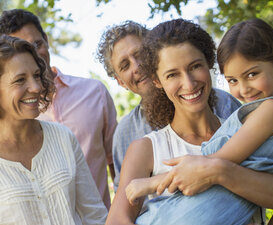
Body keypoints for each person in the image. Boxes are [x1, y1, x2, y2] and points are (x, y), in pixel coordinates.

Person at [102, 19, 273, 225]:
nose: (189, 84)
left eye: (195, 66)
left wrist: (220, 171)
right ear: (157, 80)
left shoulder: (240, 126)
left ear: (209, 63)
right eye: (172, 75)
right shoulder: (146, 149)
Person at [0, 35, 107, 225]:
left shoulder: (63, 138)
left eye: (37, 76)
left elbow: (97, 224)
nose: (36, 87)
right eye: (20, 80)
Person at [0, 9, 117, 209]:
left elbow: (115, 160)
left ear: (46, 40)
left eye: (37, 44)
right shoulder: (7, 115)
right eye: (21, 51)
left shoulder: (95, 92)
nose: (33, 55)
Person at [96, 20, 241, 190]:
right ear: (121, 82)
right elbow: (129, 196)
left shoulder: (222, 102)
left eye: (140, 54)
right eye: (125, 65)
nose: (137, 66)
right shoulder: (127, 133)